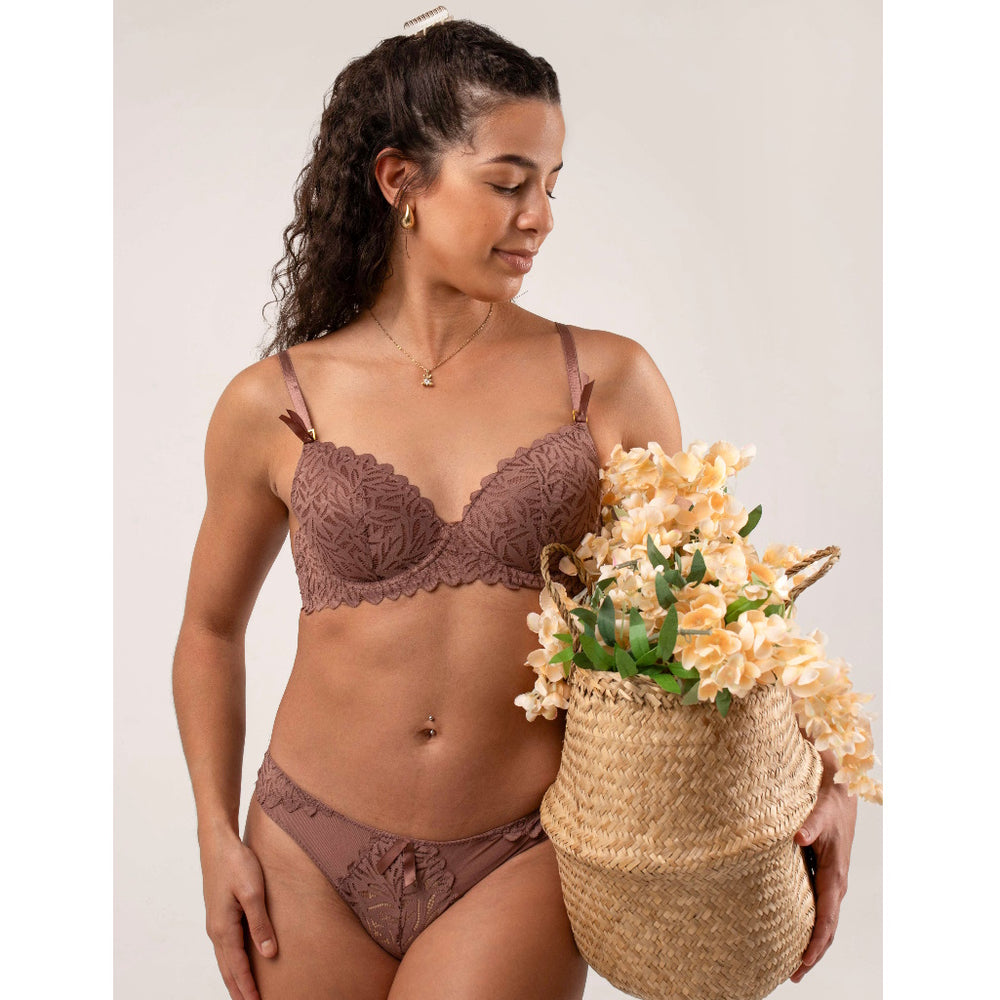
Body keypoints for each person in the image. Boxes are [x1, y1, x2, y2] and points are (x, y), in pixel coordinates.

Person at [172, 14, 857, 1000]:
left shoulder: (604, 382)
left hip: (517, 851)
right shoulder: (274, 401)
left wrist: (828, 773)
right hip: (303, 846)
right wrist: (211, 834)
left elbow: (721, 614)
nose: (538, 216)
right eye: (507, 182)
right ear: (400, 181)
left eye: (550, 185)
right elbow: (209, 629)